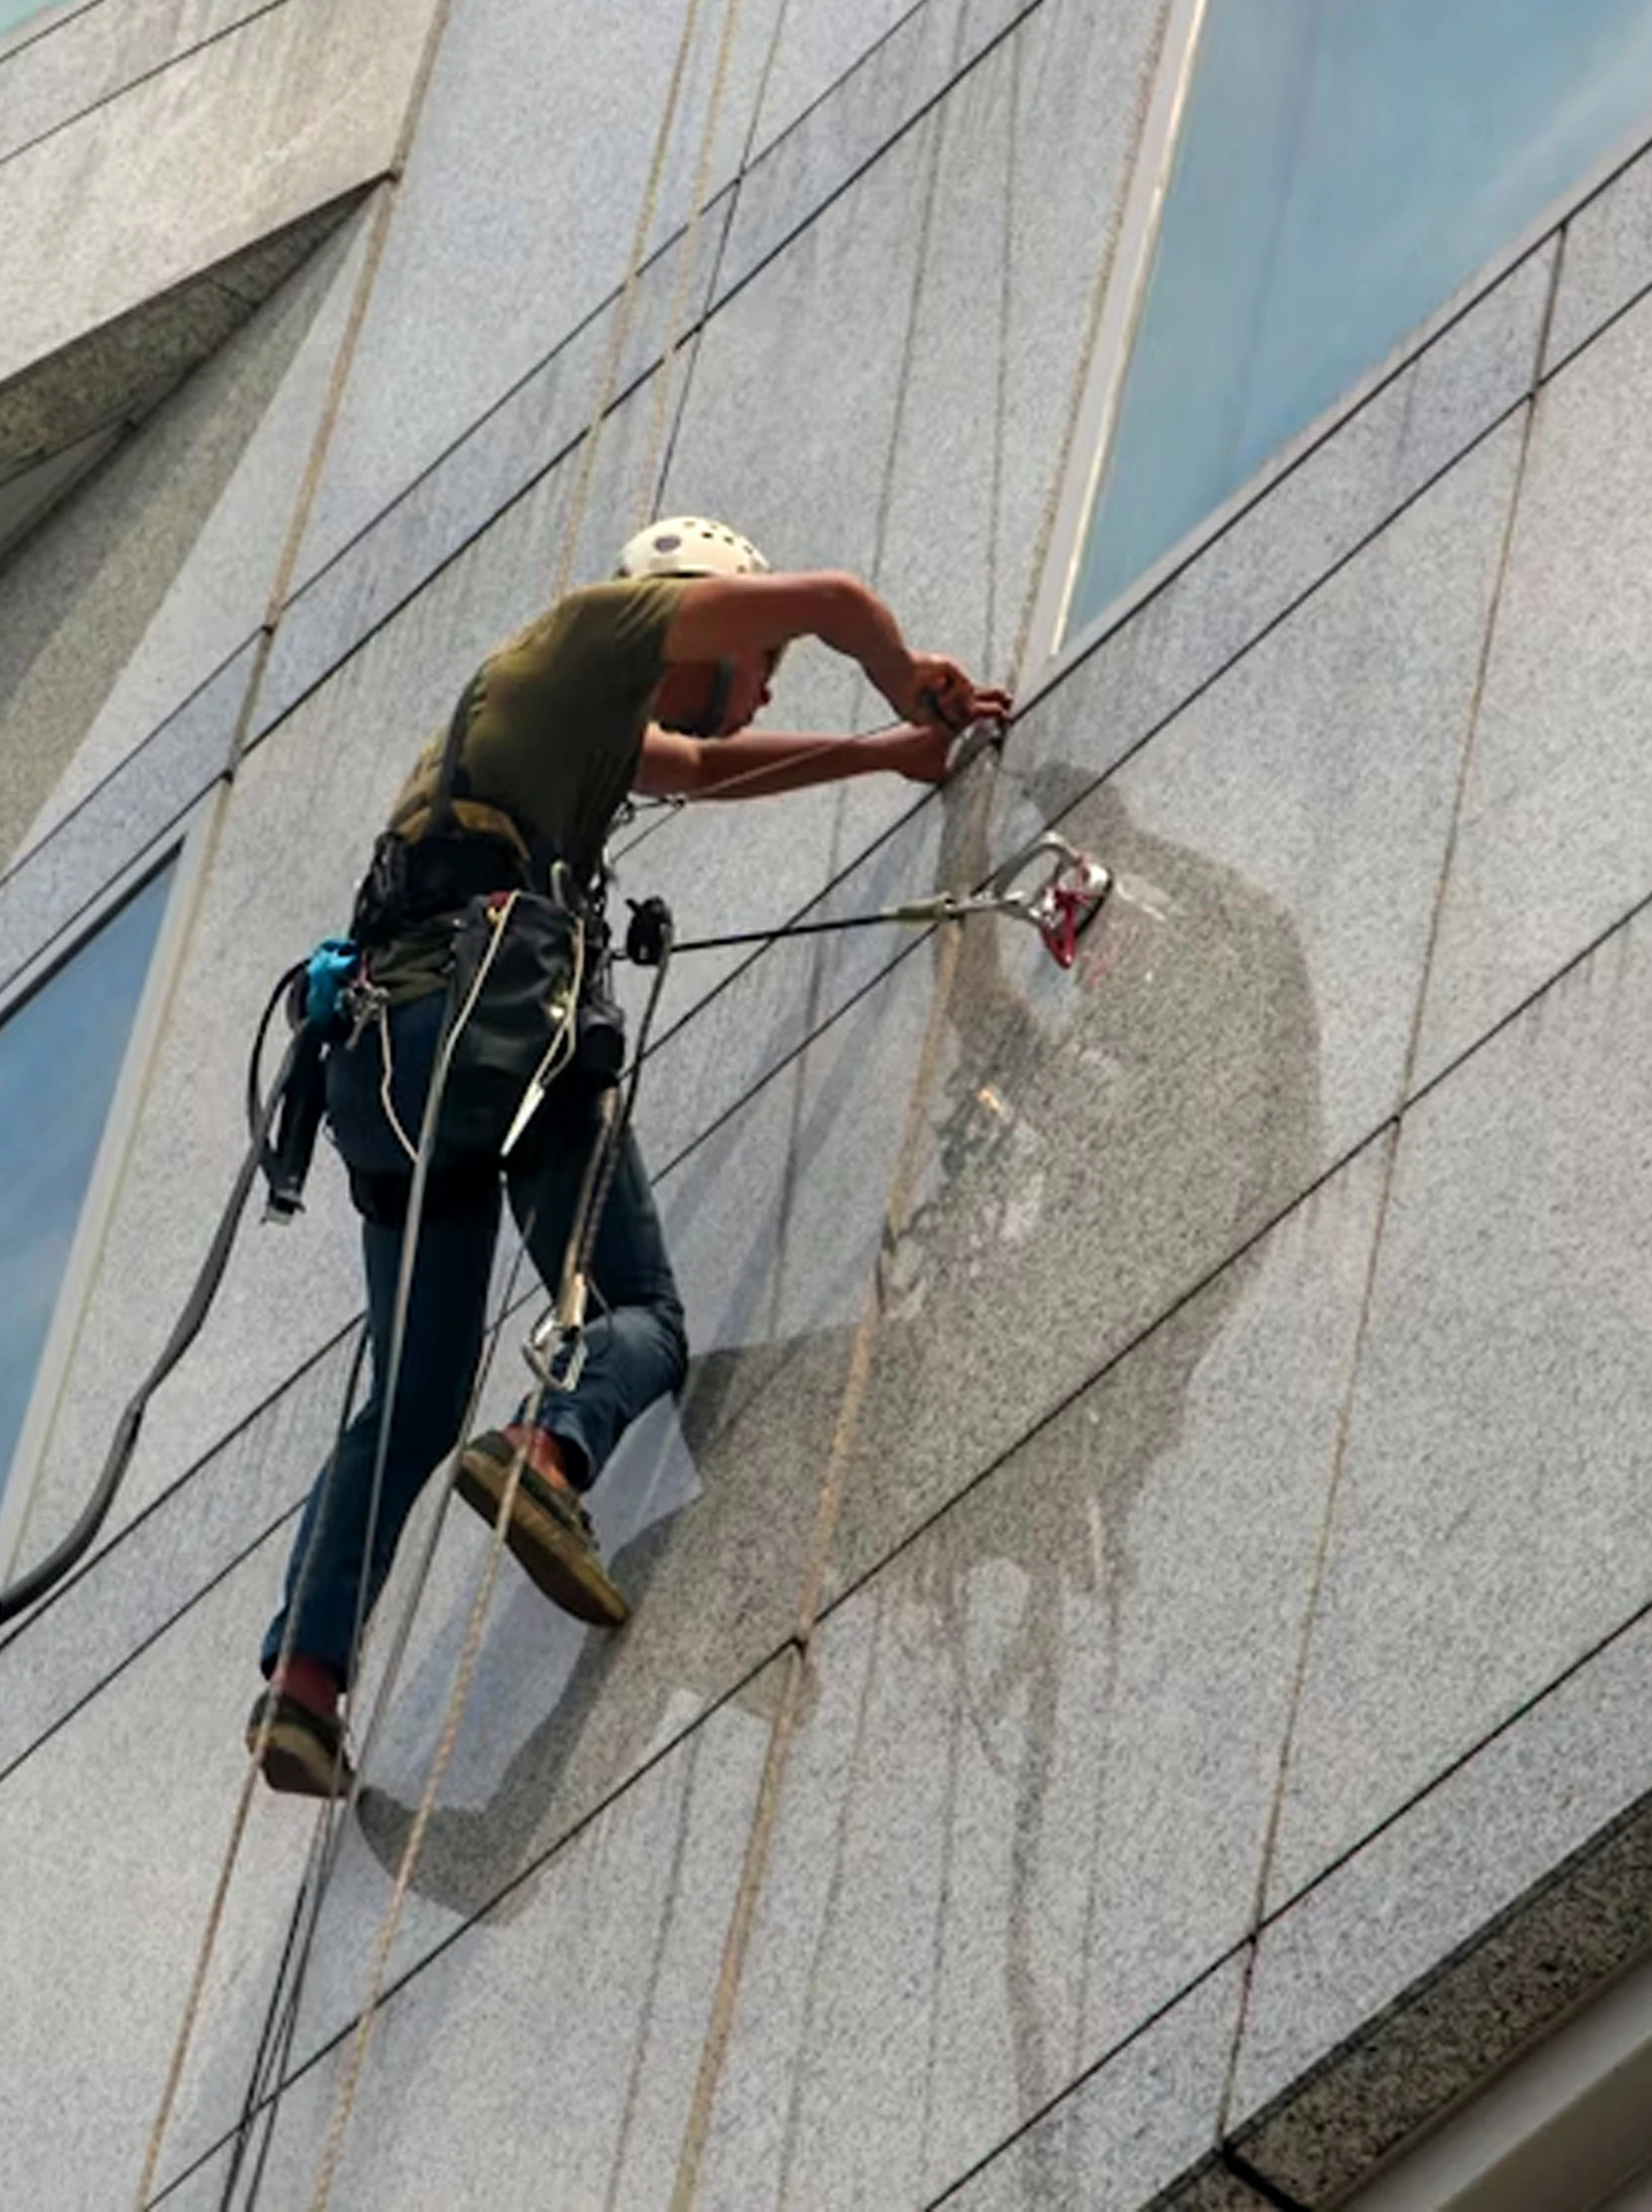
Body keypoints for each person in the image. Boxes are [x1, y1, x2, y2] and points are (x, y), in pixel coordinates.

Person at [246, 515, 1011, 1797]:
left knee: (413, 1398)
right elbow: (830, 596)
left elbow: (702, 773)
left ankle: (303, 1685)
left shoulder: (560, 726)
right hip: (495, 1022)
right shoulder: (593, 632)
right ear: (700, 616)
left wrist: (886, 756)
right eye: (754, 659)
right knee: (642, 1309)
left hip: (384, 1063)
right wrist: (907, 678)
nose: (759, 687)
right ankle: (550, 1452)